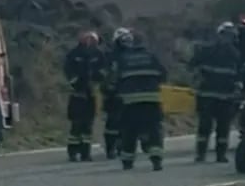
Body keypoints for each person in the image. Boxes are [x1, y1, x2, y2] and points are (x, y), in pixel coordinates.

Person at [106, 28, 167, 171]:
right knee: (154, 130)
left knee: (129, 131)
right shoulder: (152, 57)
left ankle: (127, 161)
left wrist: (111, 92)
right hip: (152, 100)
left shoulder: (122, 59)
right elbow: (163, 75)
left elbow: (113, 80)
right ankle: (156, 160)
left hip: (130, 102)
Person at [189, 21, 243, 163]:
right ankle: (214, 155)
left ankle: (206, 155)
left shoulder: (208, 50)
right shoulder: (235, 55)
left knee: (214, 128)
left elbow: (192, 66)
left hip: (212, 96)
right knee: (217, 127)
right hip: (221, 98)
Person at [63, 29, 100, 161]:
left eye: (93, 40)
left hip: (91, 95)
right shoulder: (74, 54)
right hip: (78, 94)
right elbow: (68, 70)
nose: (90, 42)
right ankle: (72, 152)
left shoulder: (98, 54)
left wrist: (98, 80)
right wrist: (76, 83)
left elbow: (104, 69)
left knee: (88, 126)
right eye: (87, 39)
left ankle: (86, 153)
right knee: (76, 125)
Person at [100, 27, 130, 159]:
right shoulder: (110, 56)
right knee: (113, 123)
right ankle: (111, 148)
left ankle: (119, 146)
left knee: (124, 122)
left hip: (124, 94)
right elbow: (104, 74)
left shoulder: (129, 55)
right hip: (114, 94)